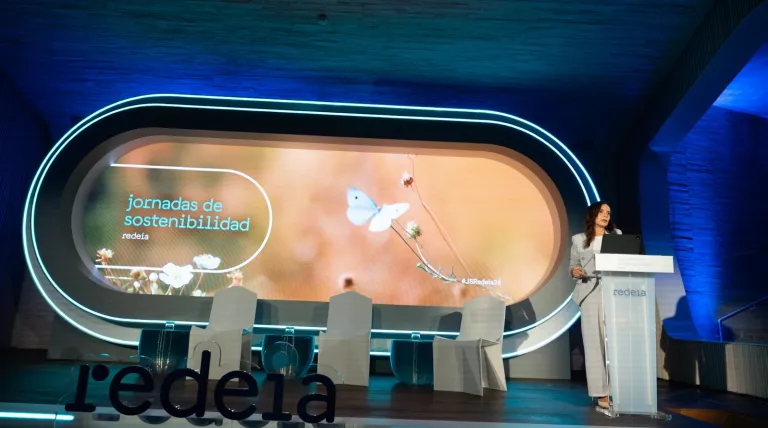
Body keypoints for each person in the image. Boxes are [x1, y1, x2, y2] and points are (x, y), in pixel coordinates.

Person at [569, 201, 621, 409]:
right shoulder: (578, 239)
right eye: (602, 212)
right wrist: (575, 271)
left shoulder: (616, 236)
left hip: (613, 292)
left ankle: (618, 390)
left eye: (608, 212)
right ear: (593, 214)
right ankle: (601, 394)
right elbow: (573, 266)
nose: (606, 215)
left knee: (614, 343)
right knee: (593, 344)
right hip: (589, 292)